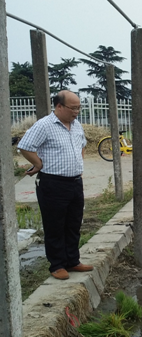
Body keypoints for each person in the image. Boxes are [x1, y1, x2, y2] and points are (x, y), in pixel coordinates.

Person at [17, 90, 93, 280]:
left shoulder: (76, 125)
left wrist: (78, 164)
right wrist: (39, 164)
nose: (76, 112)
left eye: (79, 108)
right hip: (53, 183)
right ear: (59, 106)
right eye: (73, 108)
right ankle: (57, 265)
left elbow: (82, 144)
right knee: (55, 225)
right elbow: (25, 146)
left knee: (73, 223)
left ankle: (72, 260)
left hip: (75, 182)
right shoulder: (45, 125)